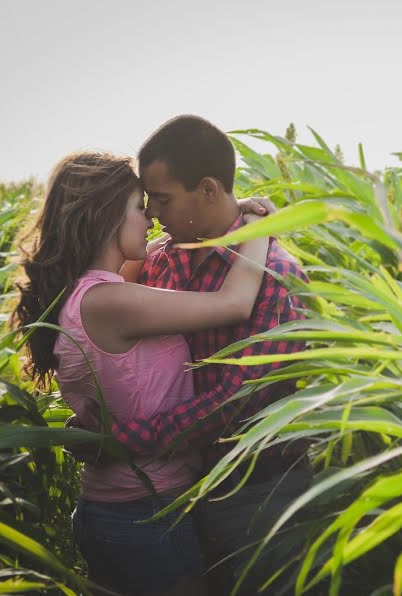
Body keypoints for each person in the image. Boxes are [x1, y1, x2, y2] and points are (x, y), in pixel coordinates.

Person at [11, 151, 274, 596]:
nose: (151, 218)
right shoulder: (109, 303)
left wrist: (222, 213)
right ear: (106, 217)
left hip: (120, 508)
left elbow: (153, 250)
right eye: (139, 207)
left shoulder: (95, 292)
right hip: (141, 514)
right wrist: (262, 231)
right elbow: (234, 304)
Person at [73, 115, 311, 593]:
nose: (154, 214)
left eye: (161, 200)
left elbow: (235, 401)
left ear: (206, 190)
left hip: (254, 492)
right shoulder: (162, 258)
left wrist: (117, 440)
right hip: (176, 490)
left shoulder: (276, 278)